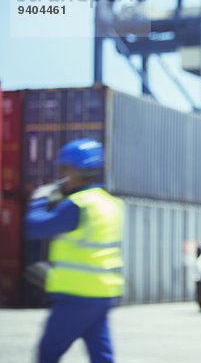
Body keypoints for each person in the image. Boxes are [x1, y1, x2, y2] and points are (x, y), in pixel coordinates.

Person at [24, 138, 124, 363]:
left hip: (76, 295)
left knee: (47, 354)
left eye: (64, 168)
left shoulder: (78, 204)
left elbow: (34, 227)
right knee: (101, 357)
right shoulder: (110, 203)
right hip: (104, 294)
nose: (61, 175)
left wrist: (39, 199)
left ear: (78, 170)